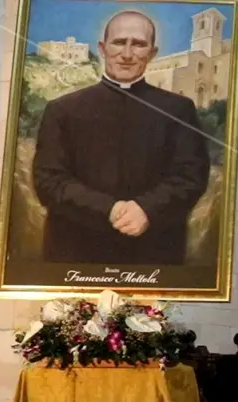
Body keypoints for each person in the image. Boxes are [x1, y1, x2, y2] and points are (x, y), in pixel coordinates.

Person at [32, 10, 211, 265]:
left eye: (138, 44)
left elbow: (191, 177)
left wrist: (147, 209)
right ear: (103, 48)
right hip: (75, 253)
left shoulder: (179, 109)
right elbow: (49, 181)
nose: (127, 54)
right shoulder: (63, 110)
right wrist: (110, 209)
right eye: (119, 42)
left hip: (154, 256)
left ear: (152, 52)